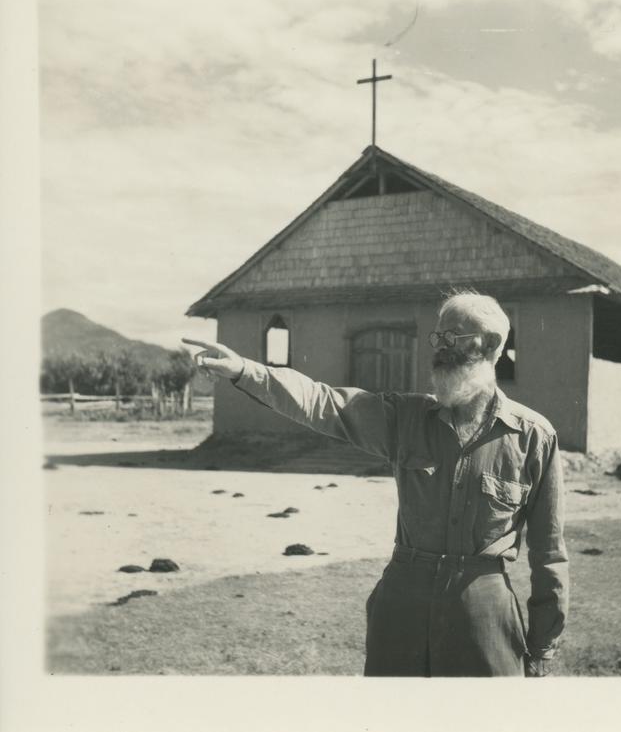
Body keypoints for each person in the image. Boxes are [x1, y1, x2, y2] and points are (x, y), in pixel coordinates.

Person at [183, 290, 568, 677]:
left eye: (454, 338)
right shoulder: (405, 418)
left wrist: (541, 645)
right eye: (438, 338)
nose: (440, 348)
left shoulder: (533, 437)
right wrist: (243, 371)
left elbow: (548, 553)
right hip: (402, 606)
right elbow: (325, 403)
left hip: (484, 614)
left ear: (492, 345)